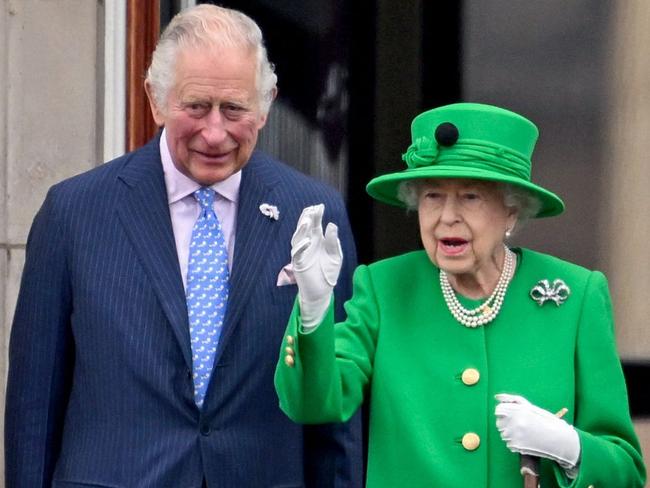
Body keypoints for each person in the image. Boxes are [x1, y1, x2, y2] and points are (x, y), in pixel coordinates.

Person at [5, 5, 362, 487]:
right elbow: (35, 405)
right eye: (195, 107)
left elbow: (333, 409)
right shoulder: (73, 212)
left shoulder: (313, 212)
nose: (214, 133)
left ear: (266, 104)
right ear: (155, 99)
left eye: (234, 109)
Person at [275, 102, 646, 487]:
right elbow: (313, 402)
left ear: (512, 211)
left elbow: (627, 472)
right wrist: (314, 309)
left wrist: (571, 448)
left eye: (470, 197)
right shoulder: (385, 288)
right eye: (433, 196)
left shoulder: (576, 297)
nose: (447, 216)